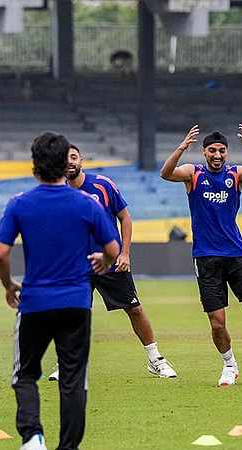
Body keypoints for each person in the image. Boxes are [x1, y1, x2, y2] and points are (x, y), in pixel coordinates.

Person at [0, 132, 119, 450]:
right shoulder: (87, 204)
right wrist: (104, 263)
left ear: (33, 166)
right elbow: (113, 249)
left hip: (34, 301)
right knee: (73, 379)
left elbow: (1, 254)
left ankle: (32, 437)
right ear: (67, 164)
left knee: (26, 374)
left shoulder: (20, 203)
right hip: (77, 301)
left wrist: (8, 286)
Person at [159, 124, 242, 387]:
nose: (217, 155)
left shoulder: (235, 174)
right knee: (217, 323)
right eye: (212, 150)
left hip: (236, 254)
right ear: (204, 152)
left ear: (227, 153)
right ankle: (229, 366)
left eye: (222, 150)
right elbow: (166, 173)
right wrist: (182, 147)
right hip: (206, 257)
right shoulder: (192, 174)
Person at [46, 144, 176, 381]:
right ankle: (65, 363)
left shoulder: (102, 185)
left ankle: (156, 360)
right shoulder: (55, 193)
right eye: (65, 159)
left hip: (110, 261)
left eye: (74, 157)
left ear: (81, 161)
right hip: (76, 266)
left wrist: (124, 254)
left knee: (134, 309)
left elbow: (125, 218)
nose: (70, 162)